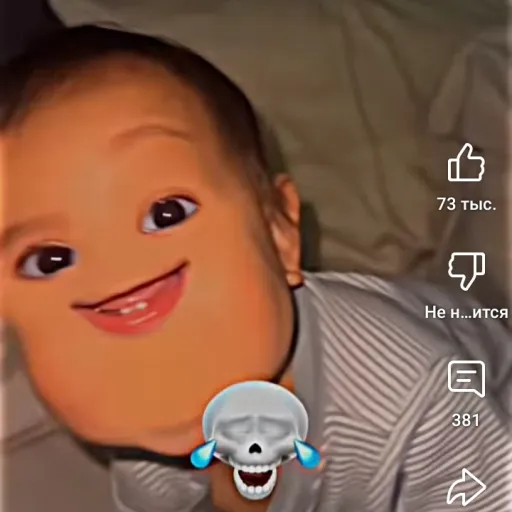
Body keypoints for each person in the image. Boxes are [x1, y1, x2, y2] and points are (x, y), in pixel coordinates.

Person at [1, 26, 511, 512]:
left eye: (167, 213)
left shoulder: (408, 389)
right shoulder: (143, 408)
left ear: (279, 231)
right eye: (50, 260)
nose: (115, 276)